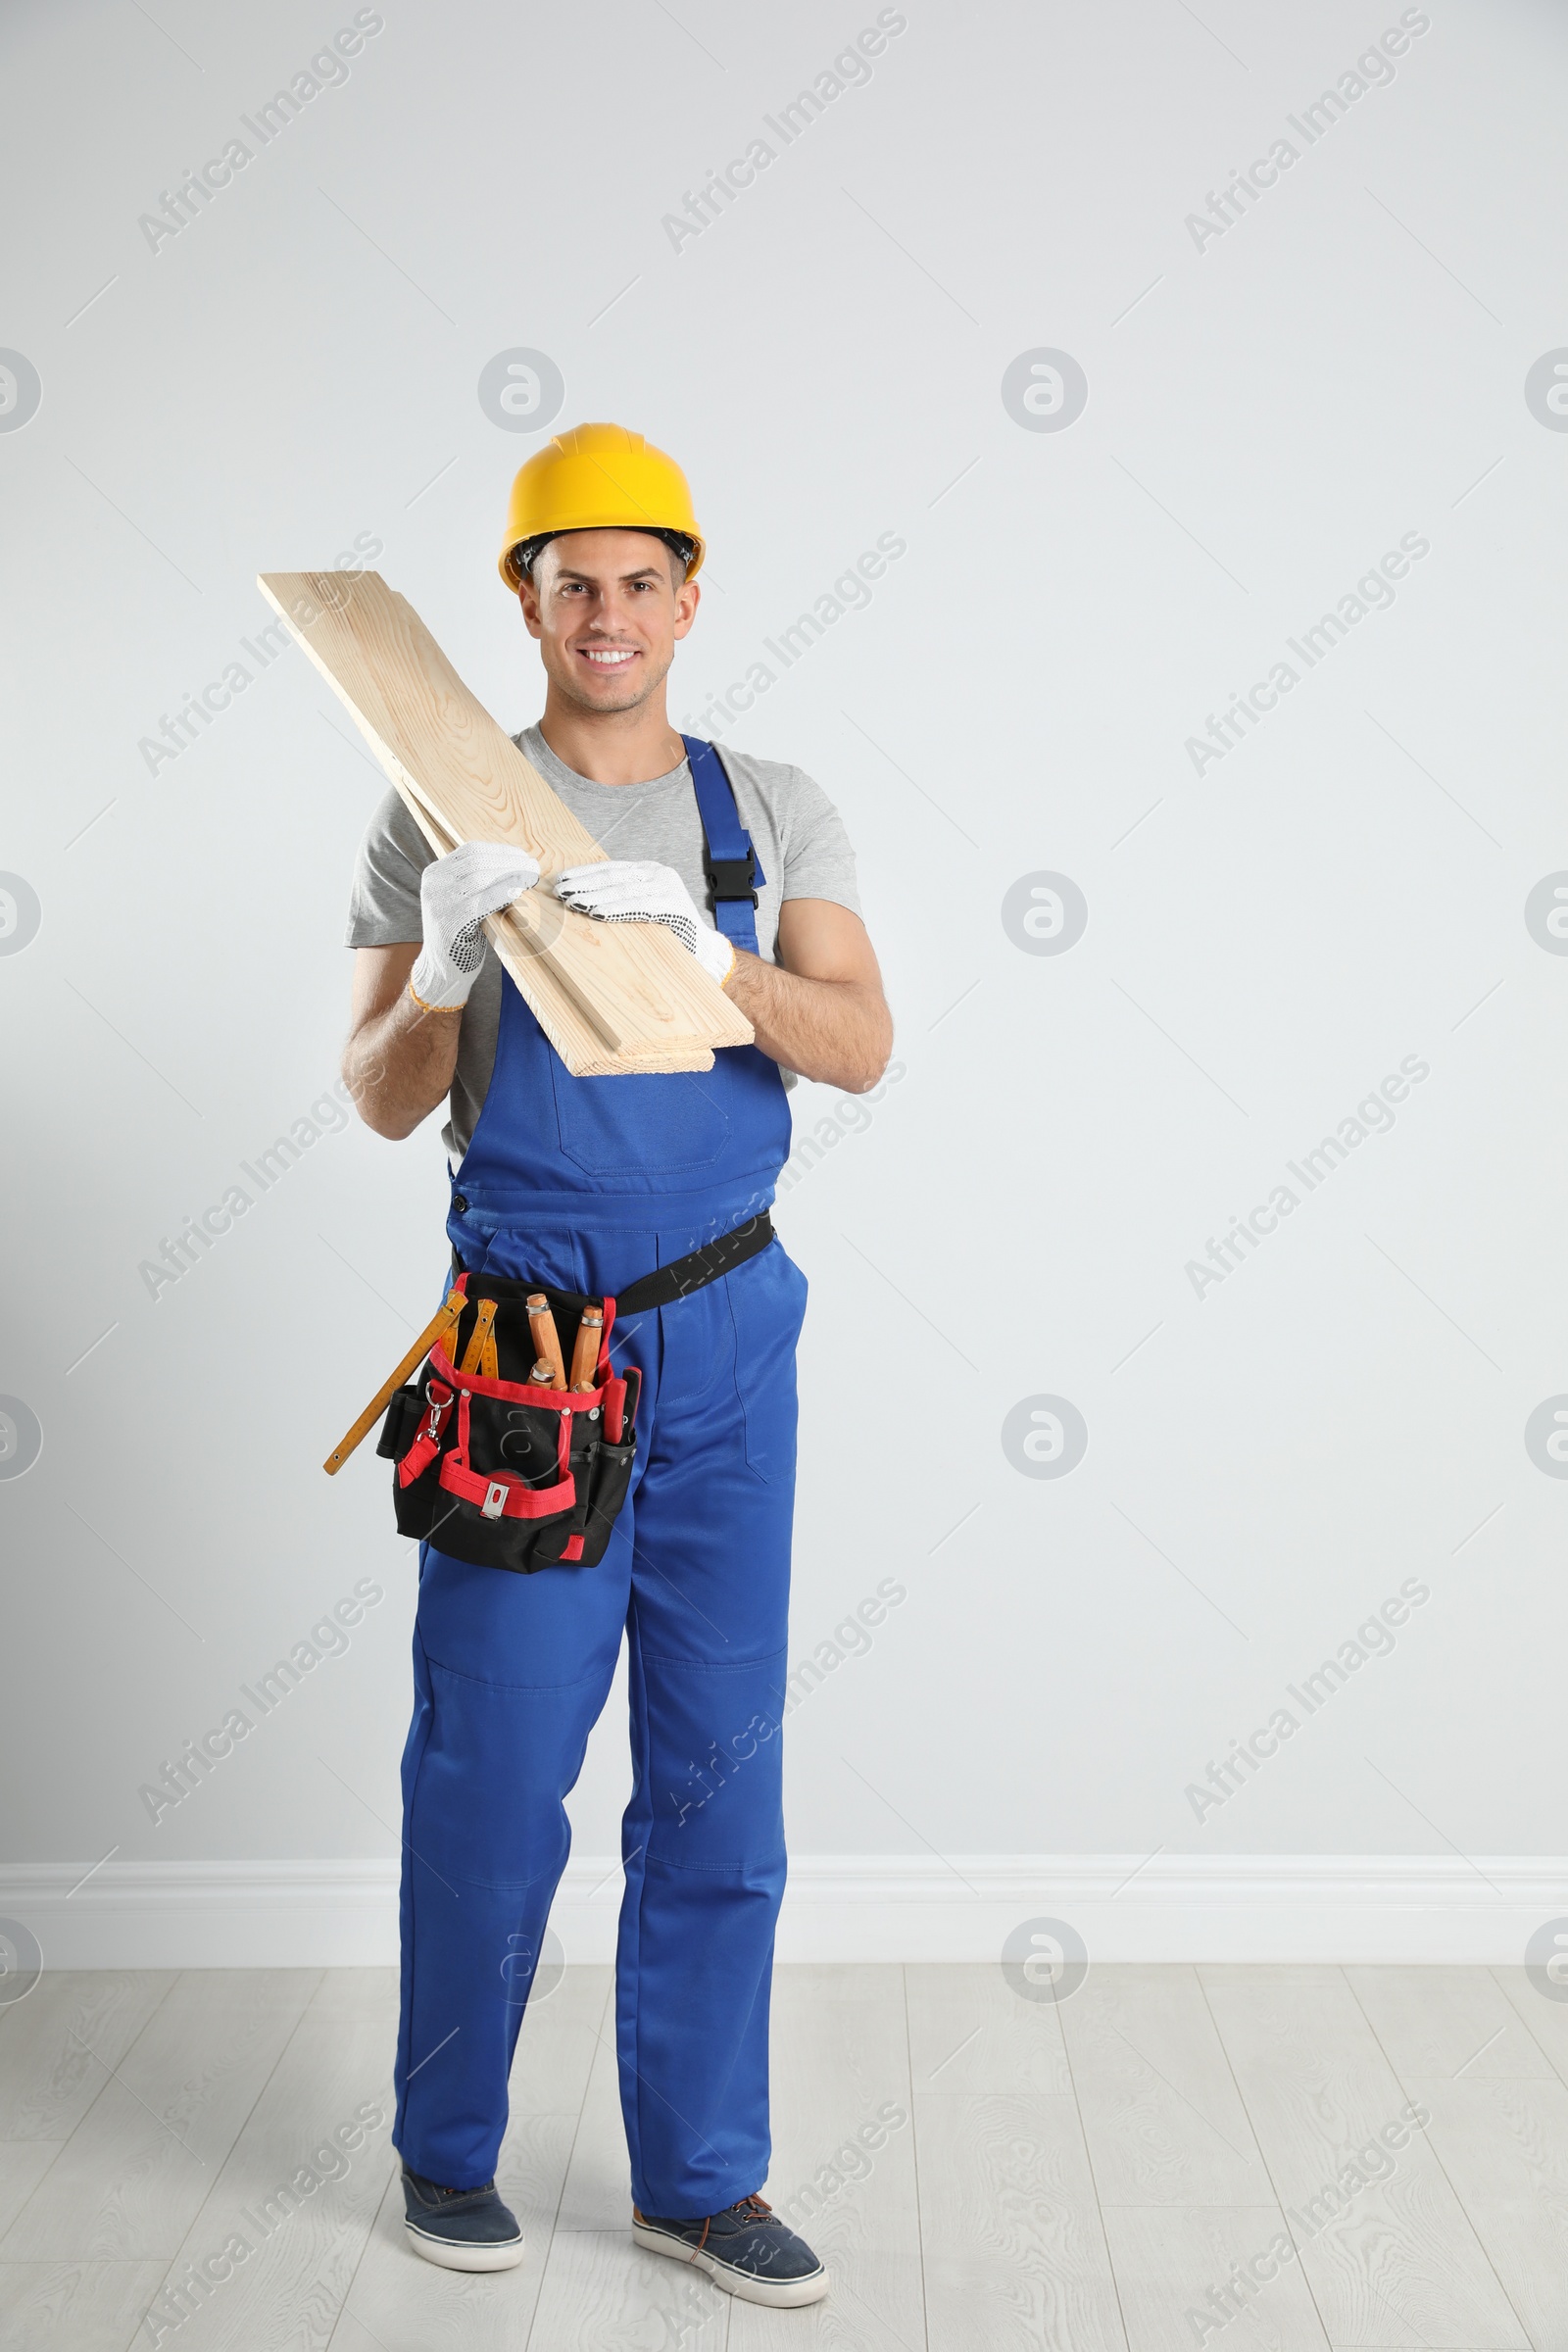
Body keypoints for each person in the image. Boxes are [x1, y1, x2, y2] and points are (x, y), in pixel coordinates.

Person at [341, 421, 892, 2308]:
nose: (605, 615)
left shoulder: (769, 809)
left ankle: (704, 2178)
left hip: (736, 1336)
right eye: (567, 581)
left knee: (721, 1780)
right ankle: (444, 2155)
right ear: (522, 597)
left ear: (687, 596)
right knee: (492, 1772)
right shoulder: (438, 804)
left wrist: (722, 964)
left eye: (638, 582)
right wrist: (439, 971)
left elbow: (861, 1046)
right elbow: (372, 1097)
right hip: (529, 1352)